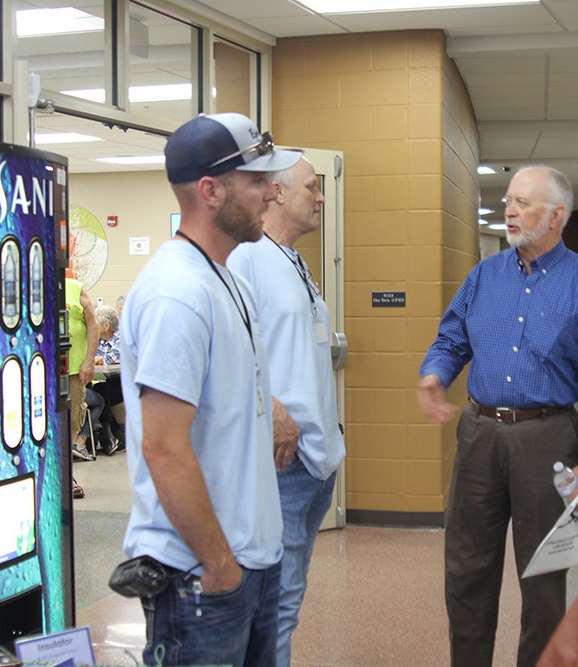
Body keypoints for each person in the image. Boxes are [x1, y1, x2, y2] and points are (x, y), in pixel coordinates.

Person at [418, 165, 578, 667]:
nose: (509, 210)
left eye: (523, 203)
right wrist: (435, 373)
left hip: (548, 439)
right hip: (478, 436)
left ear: (556, 216)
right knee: (467, 570)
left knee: (542, 579)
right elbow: (451, 339)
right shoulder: (483, 275)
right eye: (508, 200)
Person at [119, 112, 301, 667]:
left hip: (252, 561)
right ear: (210, 190)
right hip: (201, 576)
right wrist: (219, 564)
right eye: (256, 182)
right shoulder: (176, 293)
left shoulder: (228, 279)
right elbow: (163, 447)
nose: (273, 193)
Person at [228, 157, 345, 667]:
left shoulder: (292, 260)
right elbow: (232, 348)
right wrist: (271, 406)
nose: (321, 197)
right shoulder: (245, 258)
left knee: (287, 600)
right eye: (312, 188)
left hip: (317, 461)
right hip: (284, 464)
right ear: (276, 191)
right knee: (275, 607)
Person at [66, 275, 98, 465]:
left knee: (72, 419)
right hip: (41, 369)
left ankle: (69, 473)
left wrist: (89, 361)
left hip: (74, 370)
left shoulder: (75, 289)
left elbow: (93, 324)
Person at [92, 304, 124, 455]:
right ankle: (112, 437)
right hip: (107, 382)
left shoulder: (120, 338)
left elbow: (112, 358)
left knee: (101, 391)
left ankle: (111, 436)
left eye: (95, 322)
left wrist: (97, 359)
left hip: (123, 384)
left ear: (106, 326)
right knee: (100, 389)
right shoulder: (97, 339)